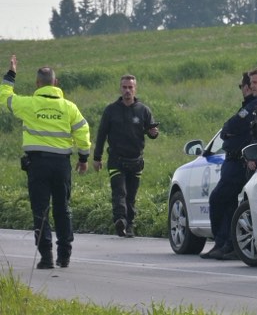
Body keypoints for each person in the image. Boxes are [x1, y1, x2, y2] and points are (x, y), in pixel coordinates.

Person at [1, 54, 91, 269]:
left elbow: (4, 97)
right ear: (56, 83)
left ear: (37, 84)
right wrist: (84, 158)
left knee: (40, 210)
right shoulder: (69, 107)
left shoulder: (29, 104)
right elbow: (83, 131)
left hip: (38, 165)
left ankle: (47, 257)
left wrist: (11, 73)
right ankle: (65, 255)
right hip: (62, 165)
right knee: (63, 209)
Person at [93, 74, 161, 237]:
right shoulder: (111, 110)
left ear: (135, 89)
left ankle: (129, 224)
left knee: (131, 195)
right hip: (116, 159)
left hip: (136, 160)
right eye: (124, 87)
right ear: (120, 88)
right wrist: (97, 157)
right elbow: (101, 134)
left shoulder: (143, 110)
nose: (127, 90)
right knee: (119, 192)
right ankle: (120, 220)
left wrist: (153, 133)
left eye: (130, 87)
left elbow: (151, 132)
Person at [203, 73, 257, 260]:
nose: (245, 89)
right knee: (228, 205)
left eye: (244, 86)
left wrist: (229, 132)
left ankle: (225, 243)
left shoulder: (254, 107)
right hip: (234, 161)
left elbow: (231, 125)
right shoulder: (250, 106)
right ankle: (225, 243)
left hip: (239, 162)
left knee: (218, 199)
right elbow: (228, 129)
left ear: (246, 87)